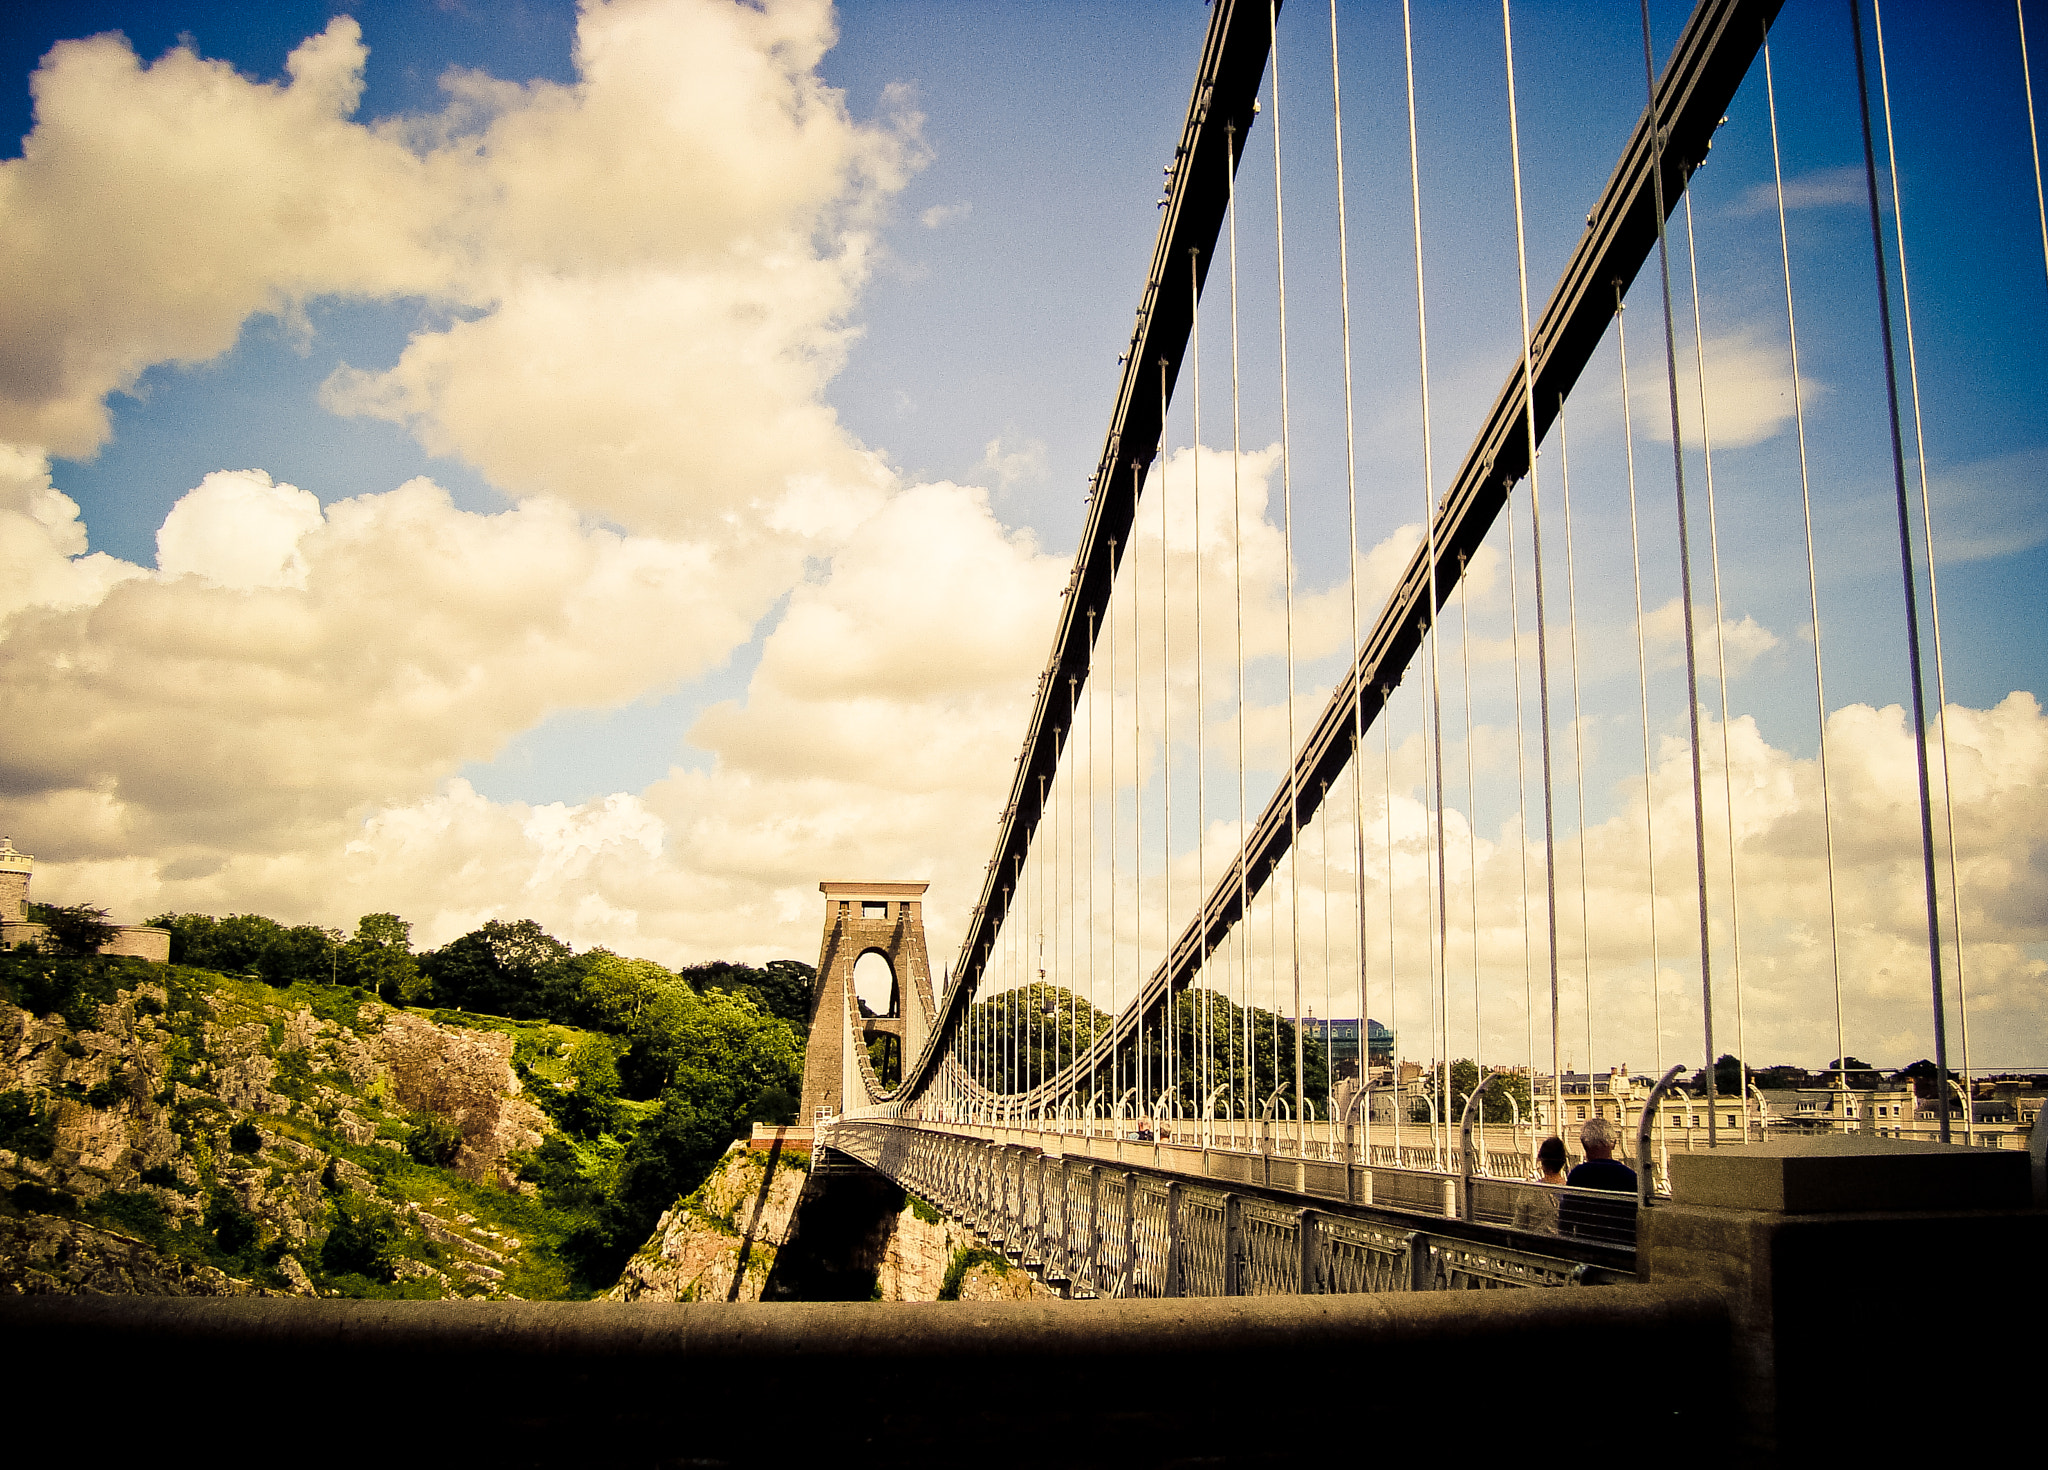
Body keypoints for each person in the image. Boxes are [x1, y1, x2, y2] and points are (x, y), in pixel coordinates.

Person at [1559, 1117, 1638, 1241]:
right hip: (1623, 1249)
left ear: (1584, 1144)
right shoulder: (1630, 1177)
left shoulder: (1577, 1175)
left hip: (1588, 1248)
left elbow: (1566, 1220)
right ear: (1614, 1144)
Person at [1511, 1136, 1569, 1233]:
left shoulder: (1528, 1191)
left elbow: (1518, 1227)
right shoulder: (1571, 1193)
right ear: (1563, 1161)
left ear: (1542, 1161)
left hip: (1535, 1245)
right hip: (1561, 1247)